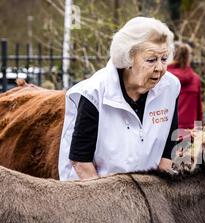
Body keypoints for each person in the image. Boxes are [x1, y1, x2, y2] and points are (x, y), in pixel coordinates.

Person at [58, 17, 180, 181]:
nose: (160, 68)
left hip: (148, 192)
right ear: (128, 58)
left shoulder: (170, 87)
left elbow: (169, 145)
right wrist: (110, 203)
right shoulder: (93, 93)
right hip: (95, 191)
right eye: (151, 60)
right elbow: (81, 161)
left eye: (164, 59)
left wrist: (161, 189)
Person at [167, 41, 203, 140]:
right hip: (190, 133)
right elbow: (199, 110)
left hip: (168, 132)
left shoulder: (164, 78)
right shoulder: (195, 78)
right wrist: (199, 131)